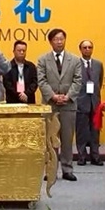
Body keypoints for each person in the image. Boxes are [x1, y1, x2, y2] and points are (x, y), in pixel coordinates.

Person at [37, 28, 83, 181]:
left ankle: (67, 169)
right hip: (50, 105)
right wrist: (53, 96)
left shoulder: (75, 60)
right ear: (50, 41)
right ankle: (51, 170)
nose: (59, 42)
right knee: (50, 140)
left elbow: (78, 80)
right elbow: (41, 81)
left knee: (67, 138)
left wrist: (68, 96)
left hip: (68, 105)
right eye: (56, 39)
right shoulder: (43, 60)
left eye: (61, 39)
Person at [74, 40, 103, 166]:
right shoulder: (75, 64)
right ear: (80, 49)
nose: (87, 49)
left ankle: (95, 156)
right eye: (84, 47)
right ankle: (82, 156)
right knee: (81, 131)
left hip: (95, 102)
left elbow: (99, 82)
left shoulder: (98, 64)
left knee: (95, 131)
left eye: (90, 47)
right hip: (80, 101)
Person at [3, 40, 38, 104]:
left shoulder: (31, 66)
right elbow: (7, 84)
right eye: (19, 50)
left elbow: (34, 83)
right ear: (14, 51)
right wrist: (19, 95)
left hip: (28, 100)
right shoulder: (8, 66)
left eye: (24, 51)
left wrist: (26, 94)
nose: (22, 52)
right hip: (12, 101)